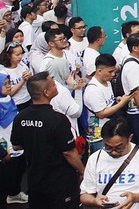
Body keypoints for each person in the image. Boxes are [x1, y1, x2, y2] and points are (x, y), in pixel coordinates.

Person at [11, 71, 84, 208]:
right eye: (53, 84)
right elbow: (69, 152)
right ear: (46, 92)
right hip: (60, 184)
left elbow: (16, 146)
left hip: (35, 182)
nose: (56, 86)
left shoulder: (20, 117)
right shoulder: (57, 119)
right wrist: (82, 170)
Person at [79, 118, 139, 208]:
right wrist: (94, 201)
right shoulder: (95, 159)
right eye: (108, 147)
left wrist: (135, 198)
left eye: (119, 147)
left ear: (130, 138)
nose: (113, 152)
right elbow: (84, 195)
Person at [83, 54, 135, 154]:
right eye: (110, 72)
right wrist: (121, 103)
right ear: (99, 71)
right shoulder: (93, 90)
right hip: (99, 137)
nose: (113, 75)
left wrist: (116, 100)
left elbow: (107, 103)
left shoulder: (107, 83)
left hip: (110, 132)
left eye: (114, 71)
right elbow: (101, 113)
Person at [1, 72, 28, 206]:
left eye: (9, 83)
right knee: (9, 172)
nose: (9, 86)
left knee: (19, 167)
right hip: (4, 142)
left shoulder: (8, 99)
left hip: (15, 138)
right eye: (5, 84)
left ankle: (15, 193)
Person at [0, 42, 31, 112]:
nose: (20, 57)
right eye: (17, 55)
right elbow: (9, 93)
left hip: (28, 99)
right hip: (16, 104)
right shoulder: (3, 72)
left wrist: (29, 77)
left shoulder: (23, 65)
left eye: (21, 54)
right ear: (8, 55)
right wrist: (23, 80)